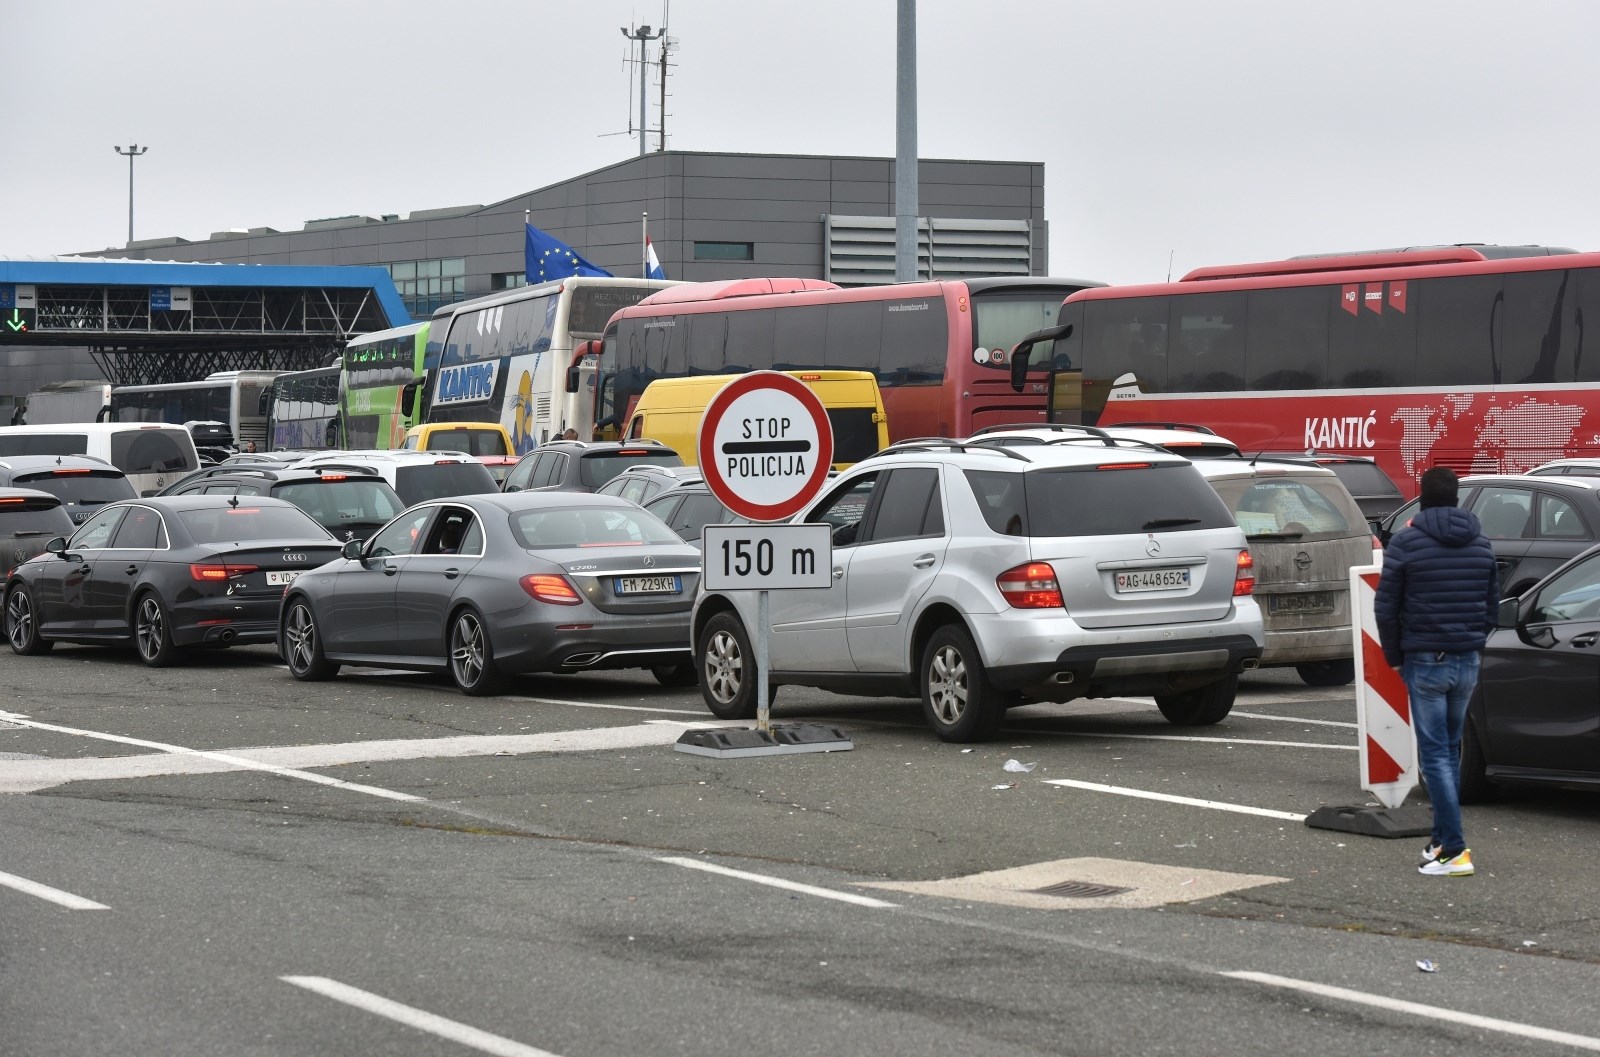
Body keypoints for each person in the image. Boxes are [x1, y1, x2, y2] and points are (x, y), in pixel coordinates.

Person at [1374, 467, 1499, 878]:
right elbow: (1491, 606)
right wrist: (1474, 642)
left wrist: (1394, 655)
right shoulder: (1481, 542)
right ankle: (1440, 841)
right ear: (1458, 498)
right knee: (1449, 749)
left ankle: (1456, 851)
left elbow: (1386, 606)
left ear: (1422, 498)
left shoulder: (1407, 543)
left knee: (1437, 757)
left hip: (1425, 658)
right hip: (1467, 660)